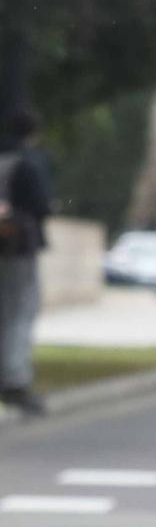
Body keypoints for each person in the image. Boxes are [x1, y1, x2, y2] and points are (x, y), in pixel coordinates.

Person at [0, 108, 54, 415]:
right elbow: (43, 204)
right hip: (20, 245)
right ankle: (15, 381)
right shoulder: (30, 161)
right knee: (21, 310)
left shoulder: (4, 158)